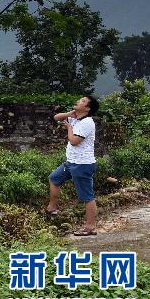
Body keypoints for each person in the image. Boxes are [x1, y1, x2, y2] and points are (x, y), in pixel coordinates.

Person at [46, 95, 99, 236]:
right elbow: (56, 117)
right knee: (54, 178)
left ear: (87, 108)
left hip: (83, 164)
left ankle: (90, 227)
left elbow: (74, 140)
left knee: (87, 196)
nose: (78, 101)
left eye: (82, 101)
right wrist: (70, 114)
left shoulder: (87, 122)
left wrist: (69, 127)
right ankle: (52, 208)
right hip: (71, 162)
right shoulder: (75, 118)